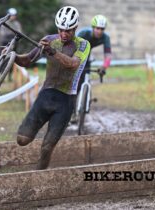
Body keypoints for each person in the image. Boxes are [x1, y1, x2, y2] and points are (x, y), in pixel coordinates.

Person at [11, 6, 90, 170]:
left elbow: (73, 64)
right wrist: (11, 55)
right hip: (46, 96)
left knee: (47, 147)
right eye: (61, 29)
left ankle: (39, 178)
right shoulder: (49, 39)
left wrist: (52, 52)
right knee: (22, 140)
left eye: (68, 30)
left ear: (75, 28)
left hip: (66, 100)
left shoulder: (83, 44)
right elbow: (27, 60)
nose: (63, 34)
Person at [71, 15, 111, 122]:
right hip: (76, 53)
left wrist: (104, 67)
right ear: (93, 27)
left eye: (102, 29)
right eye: (97, 28)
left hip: (87, 56)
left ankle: (86, 96)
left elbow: (108, 55)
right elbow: (72, 47)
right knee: (76, 85)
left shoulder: (105, 38)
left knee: (85, 75)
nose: (99, 31)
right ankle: (72, 112)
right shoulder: (84, 33)